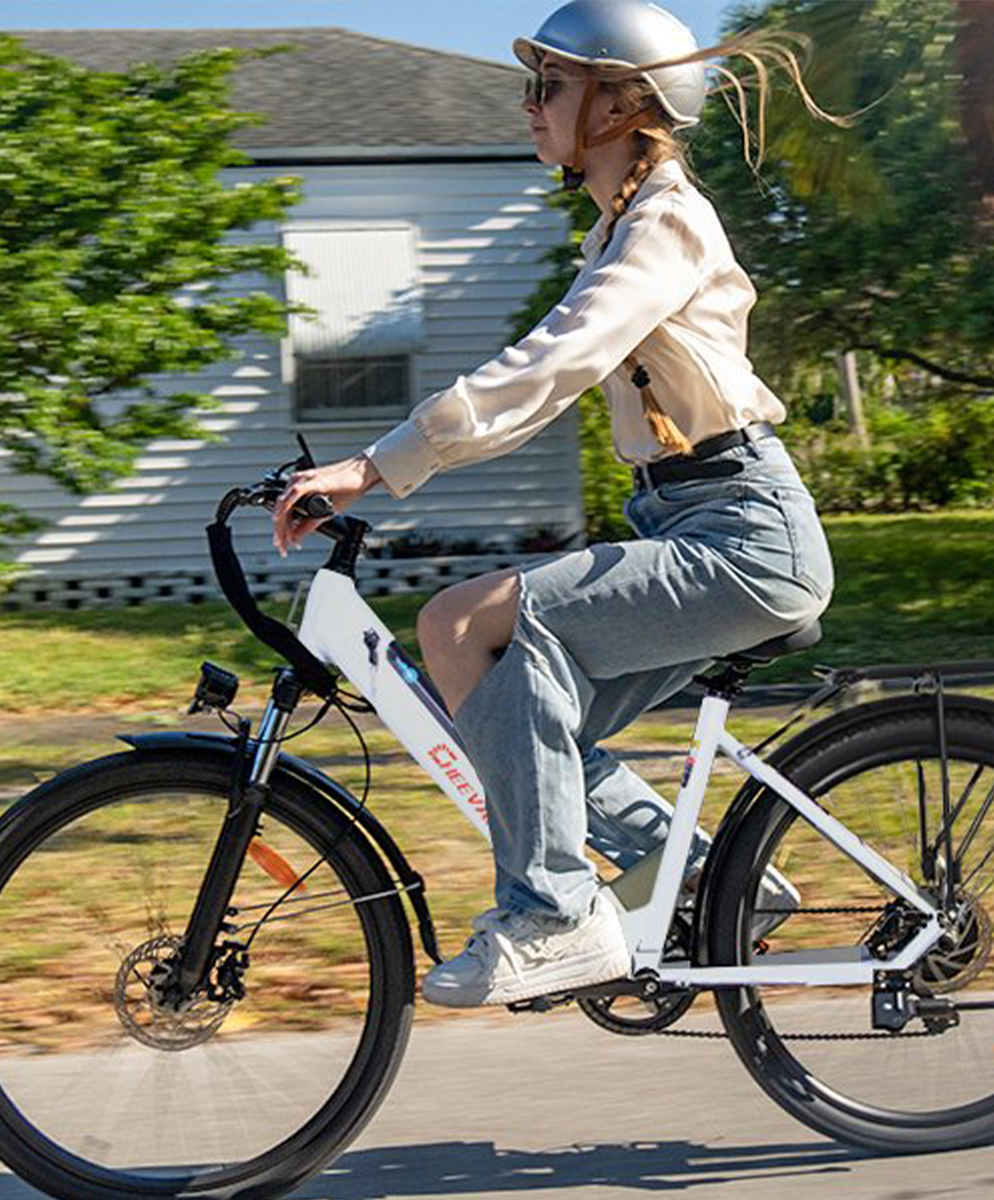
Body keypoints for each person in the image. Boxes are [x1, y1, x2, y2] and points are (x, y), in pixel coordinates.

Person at [274, 0, 843, 1008]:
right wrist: (396, 469)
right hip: (687, 523)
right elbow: (541, 386)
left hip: (744, 535)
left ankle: (551, 915)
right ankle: (705, 874)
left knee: (462, 624)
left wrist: (375, 464)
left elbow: (559, 361)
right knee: (511, 715)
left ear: (625, 102)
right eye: (532, 85)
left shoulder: (665, 221)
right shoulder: (621, 227)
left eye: (549, 85)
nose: (528, 105)